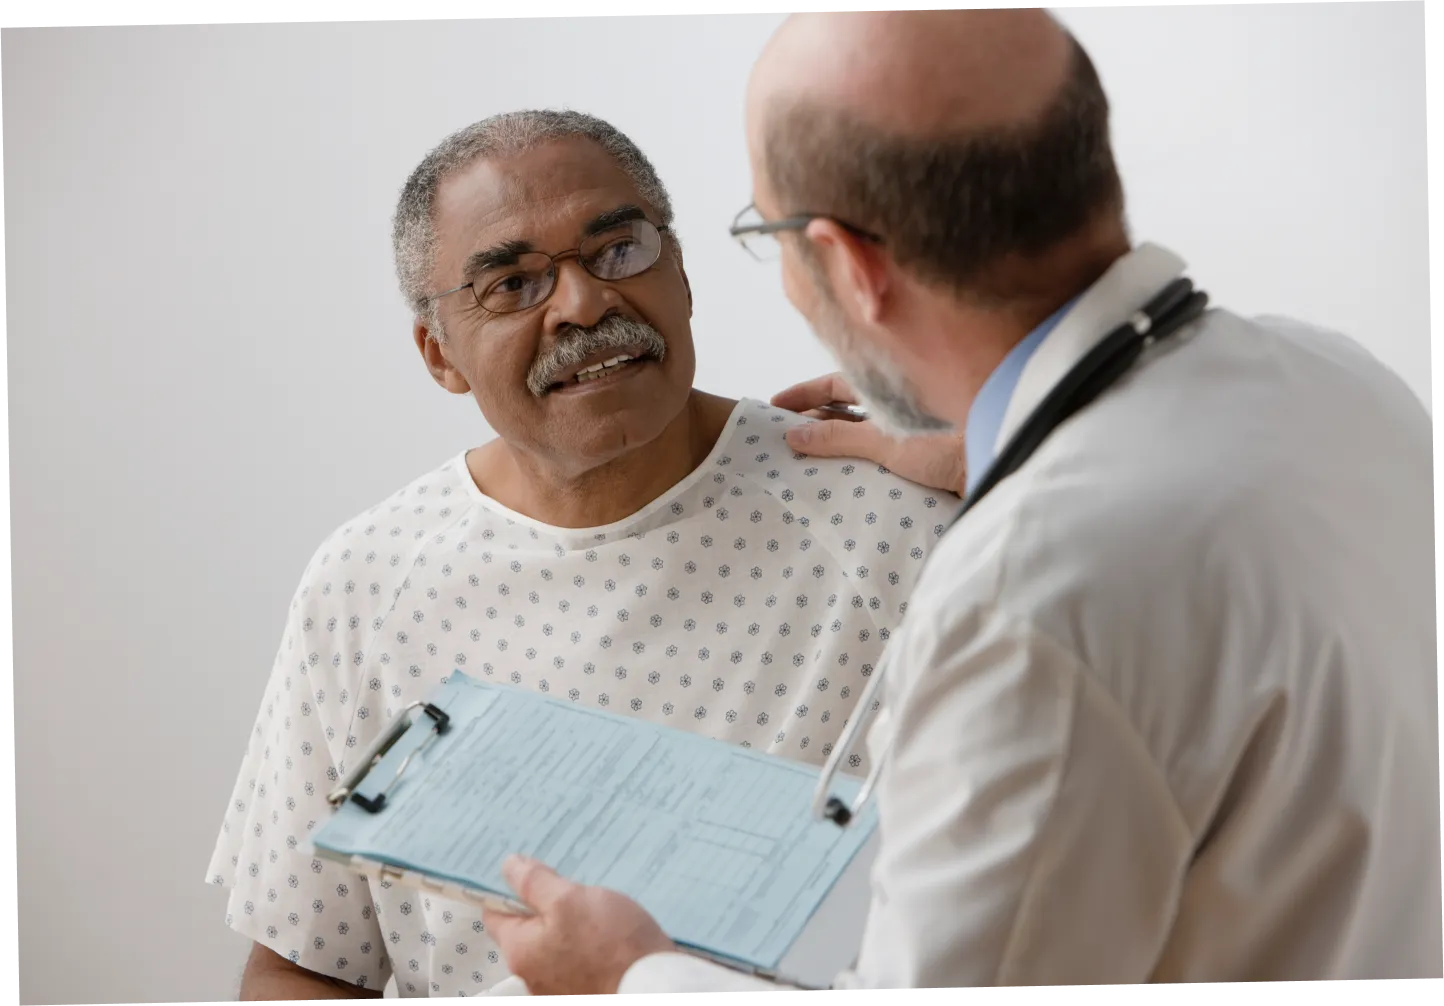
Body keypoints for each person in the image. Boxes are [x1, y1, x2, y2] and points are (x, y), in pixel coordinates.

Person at [479, 8, 1443, 994]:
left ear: (851, 265)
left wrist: (630, 975)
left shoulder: (1028, 593)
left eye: (767, 235)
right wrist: (1005, 449)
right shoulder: (1344, 384)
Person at [204, 108, 964, 1002]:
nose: (583, 303)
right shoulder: (364, 583)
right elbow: (301, 966)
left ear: (680, 273)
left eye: (618, 251)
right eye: (513, 283)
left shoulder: (895, 520)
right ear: (438, 355)